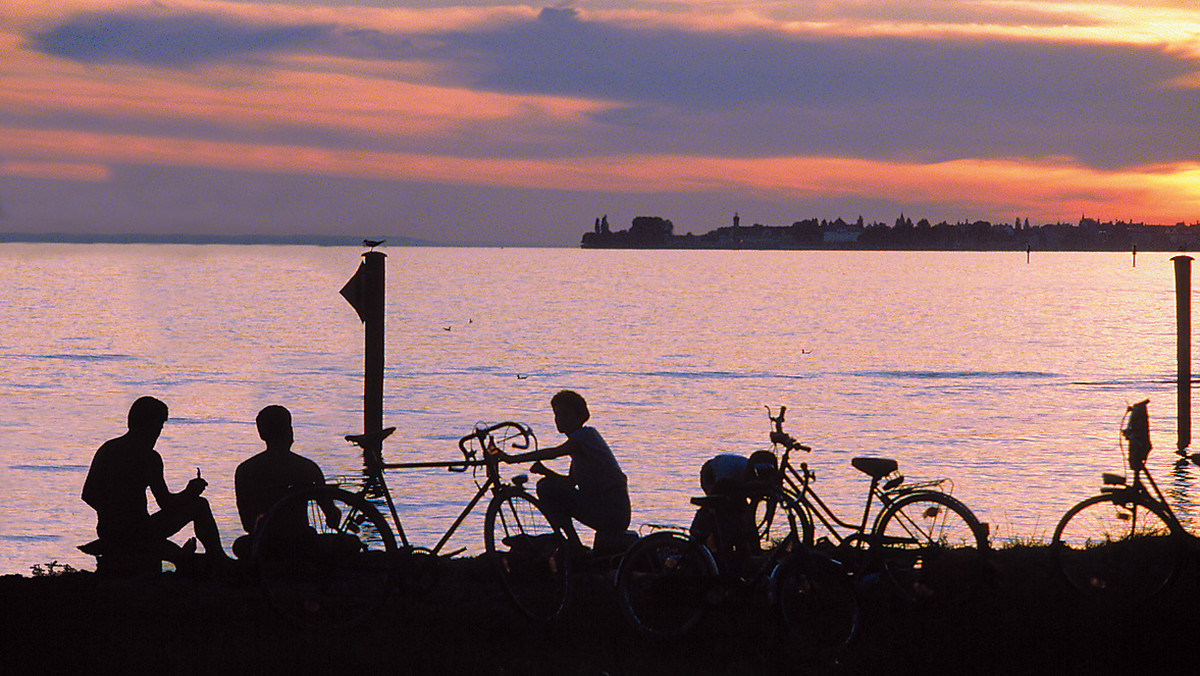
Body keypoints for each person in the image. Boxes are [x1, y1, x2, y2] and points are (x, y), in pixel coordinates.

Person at [82, 396, 229, 566]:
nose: (158, 432)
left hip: (108, 531)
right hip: (140, 529)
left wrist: (110, 515)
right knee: (199, 505)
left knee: (172, 552)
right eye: (159, 425)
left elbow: (88, 494)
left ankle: (181, 556)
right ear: (149, 425)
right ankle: (217, 557)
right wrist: (190, 492)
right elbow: (166, 502)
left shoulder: (108, 449)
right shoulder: (149, 457)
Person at [499, 390, 630, 547]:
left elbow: (554, 452)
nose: (559, 420)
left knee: (546, 488)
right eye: (557, 414)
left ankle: (573, 545)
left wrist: (512, 459)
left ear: (578, 416)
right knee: (546, 485)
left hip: (612, 512)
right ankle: (571, 544)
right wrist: (545, 471)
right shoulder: (579, 447)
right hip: (603, 508)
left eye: (565, 415)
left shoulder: (585, 436)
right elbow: (569, 483)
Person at [233, 405, 339, 559]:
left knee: (240, 545)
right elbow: (333, 520)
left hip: (265, 545)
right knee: (352, 543)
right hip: (303, 543)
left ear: (262, 434)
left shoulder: (245, 470)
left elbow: (248, 525)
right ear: (289, 431)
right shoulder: (308, 468)